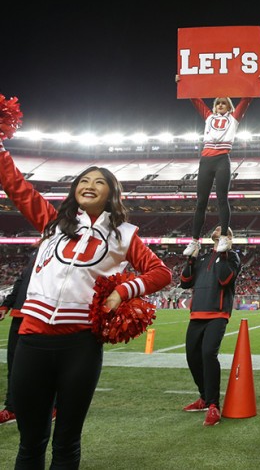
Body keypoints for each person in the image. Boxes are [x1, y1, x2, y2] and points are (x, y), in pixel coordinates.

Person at [0, 141, 172, 469]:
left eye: (99, 182)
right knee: (30, 442)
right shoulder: (52, 222)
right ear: (74, 190)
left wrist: (123, 291)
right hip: (31, 341)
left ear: (111, 194)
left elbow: (161, 273)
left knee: (66, 442)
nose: (89, 185)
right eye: (83, 180)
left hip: (80, 345)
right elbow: (16, 187)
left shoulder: (125, 236)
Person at [180, 73, 260, 256]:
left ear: (229, 106)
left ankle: (225, 235)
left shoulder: (233, 118)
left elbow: (247, 99)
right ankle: (195, 241)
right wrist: (183, 82)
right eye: (217, 102)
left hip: (222, 159)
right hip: (206, 159)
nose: (220, 105)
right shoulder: (209, 117)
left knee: (221, 199)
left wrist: (257, 81)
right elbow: (195, 99)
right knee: (201, 202)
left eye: (223, 103)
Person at [180, 226, 241, 426]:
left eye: (225, 230)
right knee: (192, 356)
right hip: (197, 313)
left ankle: (214, 405)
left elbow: (225, 279)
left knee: (208, 354)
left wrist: (224, 252)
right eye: (216, 228)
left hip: (218, 313)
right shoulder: (204, 257)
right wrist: (191, 258)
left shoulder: (232, 258)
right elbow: (185, 282)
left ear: (230, 239)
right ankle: (204, 397)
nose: (219, 229)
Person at [0, 252, 35, 425]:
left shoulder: (66, 247)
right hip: (20, 313)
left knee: (45, 365)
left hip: (44, 315)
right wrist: (7, 304)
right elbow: (22, 281)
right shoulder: (40, 250)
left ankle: (54, 405)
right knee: (14, 364)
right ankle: (12, 407)